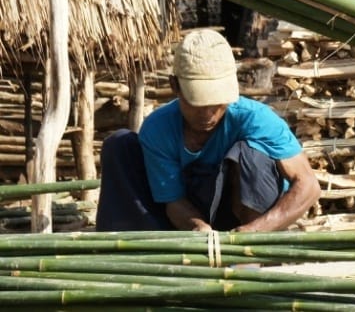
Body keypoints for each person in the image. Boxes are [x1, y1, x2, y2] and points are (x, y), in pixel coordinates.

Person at [96, 28, 320, 232]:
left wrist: (256, 229)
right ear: (175, 86)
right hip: (186, 221)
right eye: (198, 103)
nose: (208, 114)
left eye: (217, 103)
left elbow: (308, 185)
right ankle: (145, 256)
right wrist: (197, 227)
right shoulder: (158, 128)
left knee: (253, 154)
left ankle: (250, 259)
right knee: (120, 145)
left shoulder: (256, 119)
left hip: (247, 220)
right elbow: (173, 201)